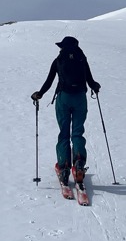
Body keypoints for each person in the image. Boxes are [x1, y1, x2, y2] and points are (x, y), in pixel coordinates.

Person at [31, 36, 101, 189]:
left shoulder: (59, 60)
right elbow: (90, 80)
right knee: (77, 132)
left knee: (64, 133)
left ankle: (63, 168)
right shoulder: (81, 59)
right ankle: (79, 163)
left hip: (64, 98)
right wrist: (95, 86)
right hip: (80, 98)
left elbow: (49, 81)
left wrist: (40, 94)